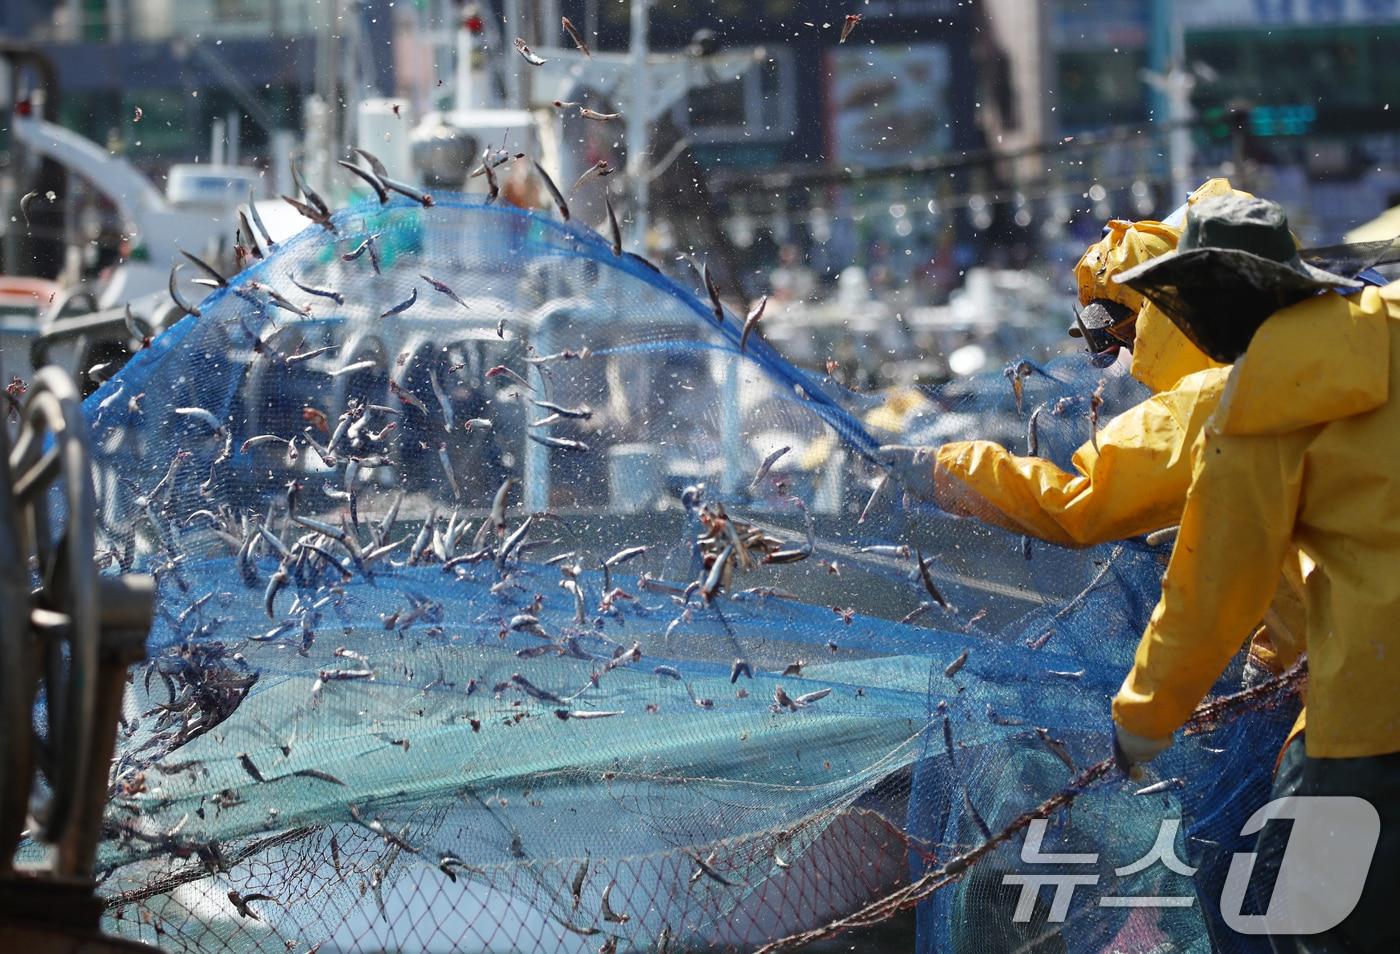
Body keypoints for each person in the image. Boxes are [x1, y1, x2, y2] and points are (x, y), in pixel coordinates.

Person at [1108, 194, 1398, 953]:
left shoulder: (1258, 400)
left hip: (1373, 718)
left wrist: (1142, 722)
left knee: (1291, 909)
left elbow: (1212, 593)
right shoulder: (1389, 326)